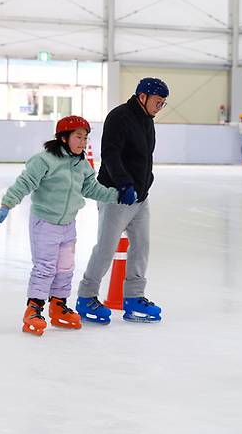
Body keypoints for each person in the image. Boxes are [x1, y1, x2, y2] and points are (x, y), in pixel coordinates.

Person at [0, 116, 130, 336]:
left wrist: (116, 195)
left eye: (85, 138)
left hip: (68, 224)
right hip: (45, 222)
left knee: (65, 268)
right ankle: (34, 309)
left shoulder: (81, 164)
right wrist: (7, 205)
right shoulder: (45, 160)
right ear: (63, 138)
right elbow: (25, 182)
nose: (83, 142)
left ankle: (58, 305)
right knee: (45, 267)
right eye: (78, 137)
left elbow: (91, 189)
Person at [76, 77, 168, 324]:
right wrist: (124, 183)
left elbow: (144, 157)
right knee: (106, 248)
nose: (159, 108)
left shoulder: (147, 121)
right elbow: (111, 154)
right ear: (142, 97)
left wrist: (145, 182)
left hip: (140, 197)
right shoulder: (119, 117)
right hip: (116, 195)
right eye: (158, 102)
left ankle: (133, 297)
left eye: (163, 104)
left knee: (141, 247)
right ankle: (86, 297)